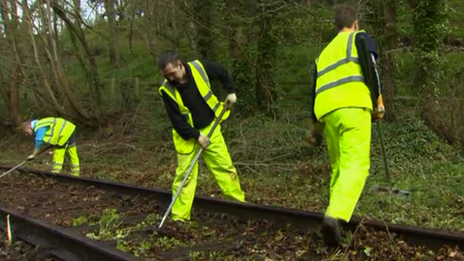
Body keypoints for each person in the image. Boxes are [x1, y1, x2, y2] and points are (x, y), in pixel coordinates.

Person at [305, 5, 385, 246]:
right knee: (357, 165)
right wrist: (377, 100)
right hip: (353, 107)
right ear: (356, 23)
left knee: (339, 167)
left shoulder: (324, 53)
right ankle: (335, 215)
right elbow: (371, 69)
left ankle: (335, 221)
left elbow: (313, 91)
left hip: (327, 112)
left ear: (336, 26)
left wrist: (315, 125)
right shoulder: (360, 38)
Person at [157, 50, 246, 223]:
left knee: (225, 169)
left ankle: (239, 207)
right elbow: (177, 121)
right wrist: (196, 136)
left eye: (173, 74)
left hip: (211, 127)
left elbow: (222, 72)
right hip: (187, 137)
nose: (171, 78)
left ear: (180, 65)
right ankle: (179, 217)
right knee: (185, 176)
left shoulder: (199, 68)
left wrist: (230, 91)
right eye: (167, 76)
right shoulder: (166, 89)